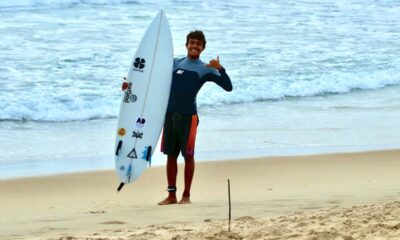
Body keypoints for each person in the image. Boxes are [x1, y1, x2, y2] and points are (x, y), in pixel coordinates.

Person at [158, 30, 233, 205]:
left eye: (198, 44)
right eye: (192, 42)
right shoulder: (174, 63)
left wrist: (220, 69)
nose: (194, 46)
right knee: (170, 156)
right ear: (186, 45)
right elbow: (151, 78)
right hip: (169, 116)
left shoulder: (205, 69)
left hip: (188, 118)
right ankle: (171, 195)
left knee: (188, 156)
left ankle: (186, 196)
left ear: (203, 48)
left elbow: (228, 87)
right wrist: (129, 86)